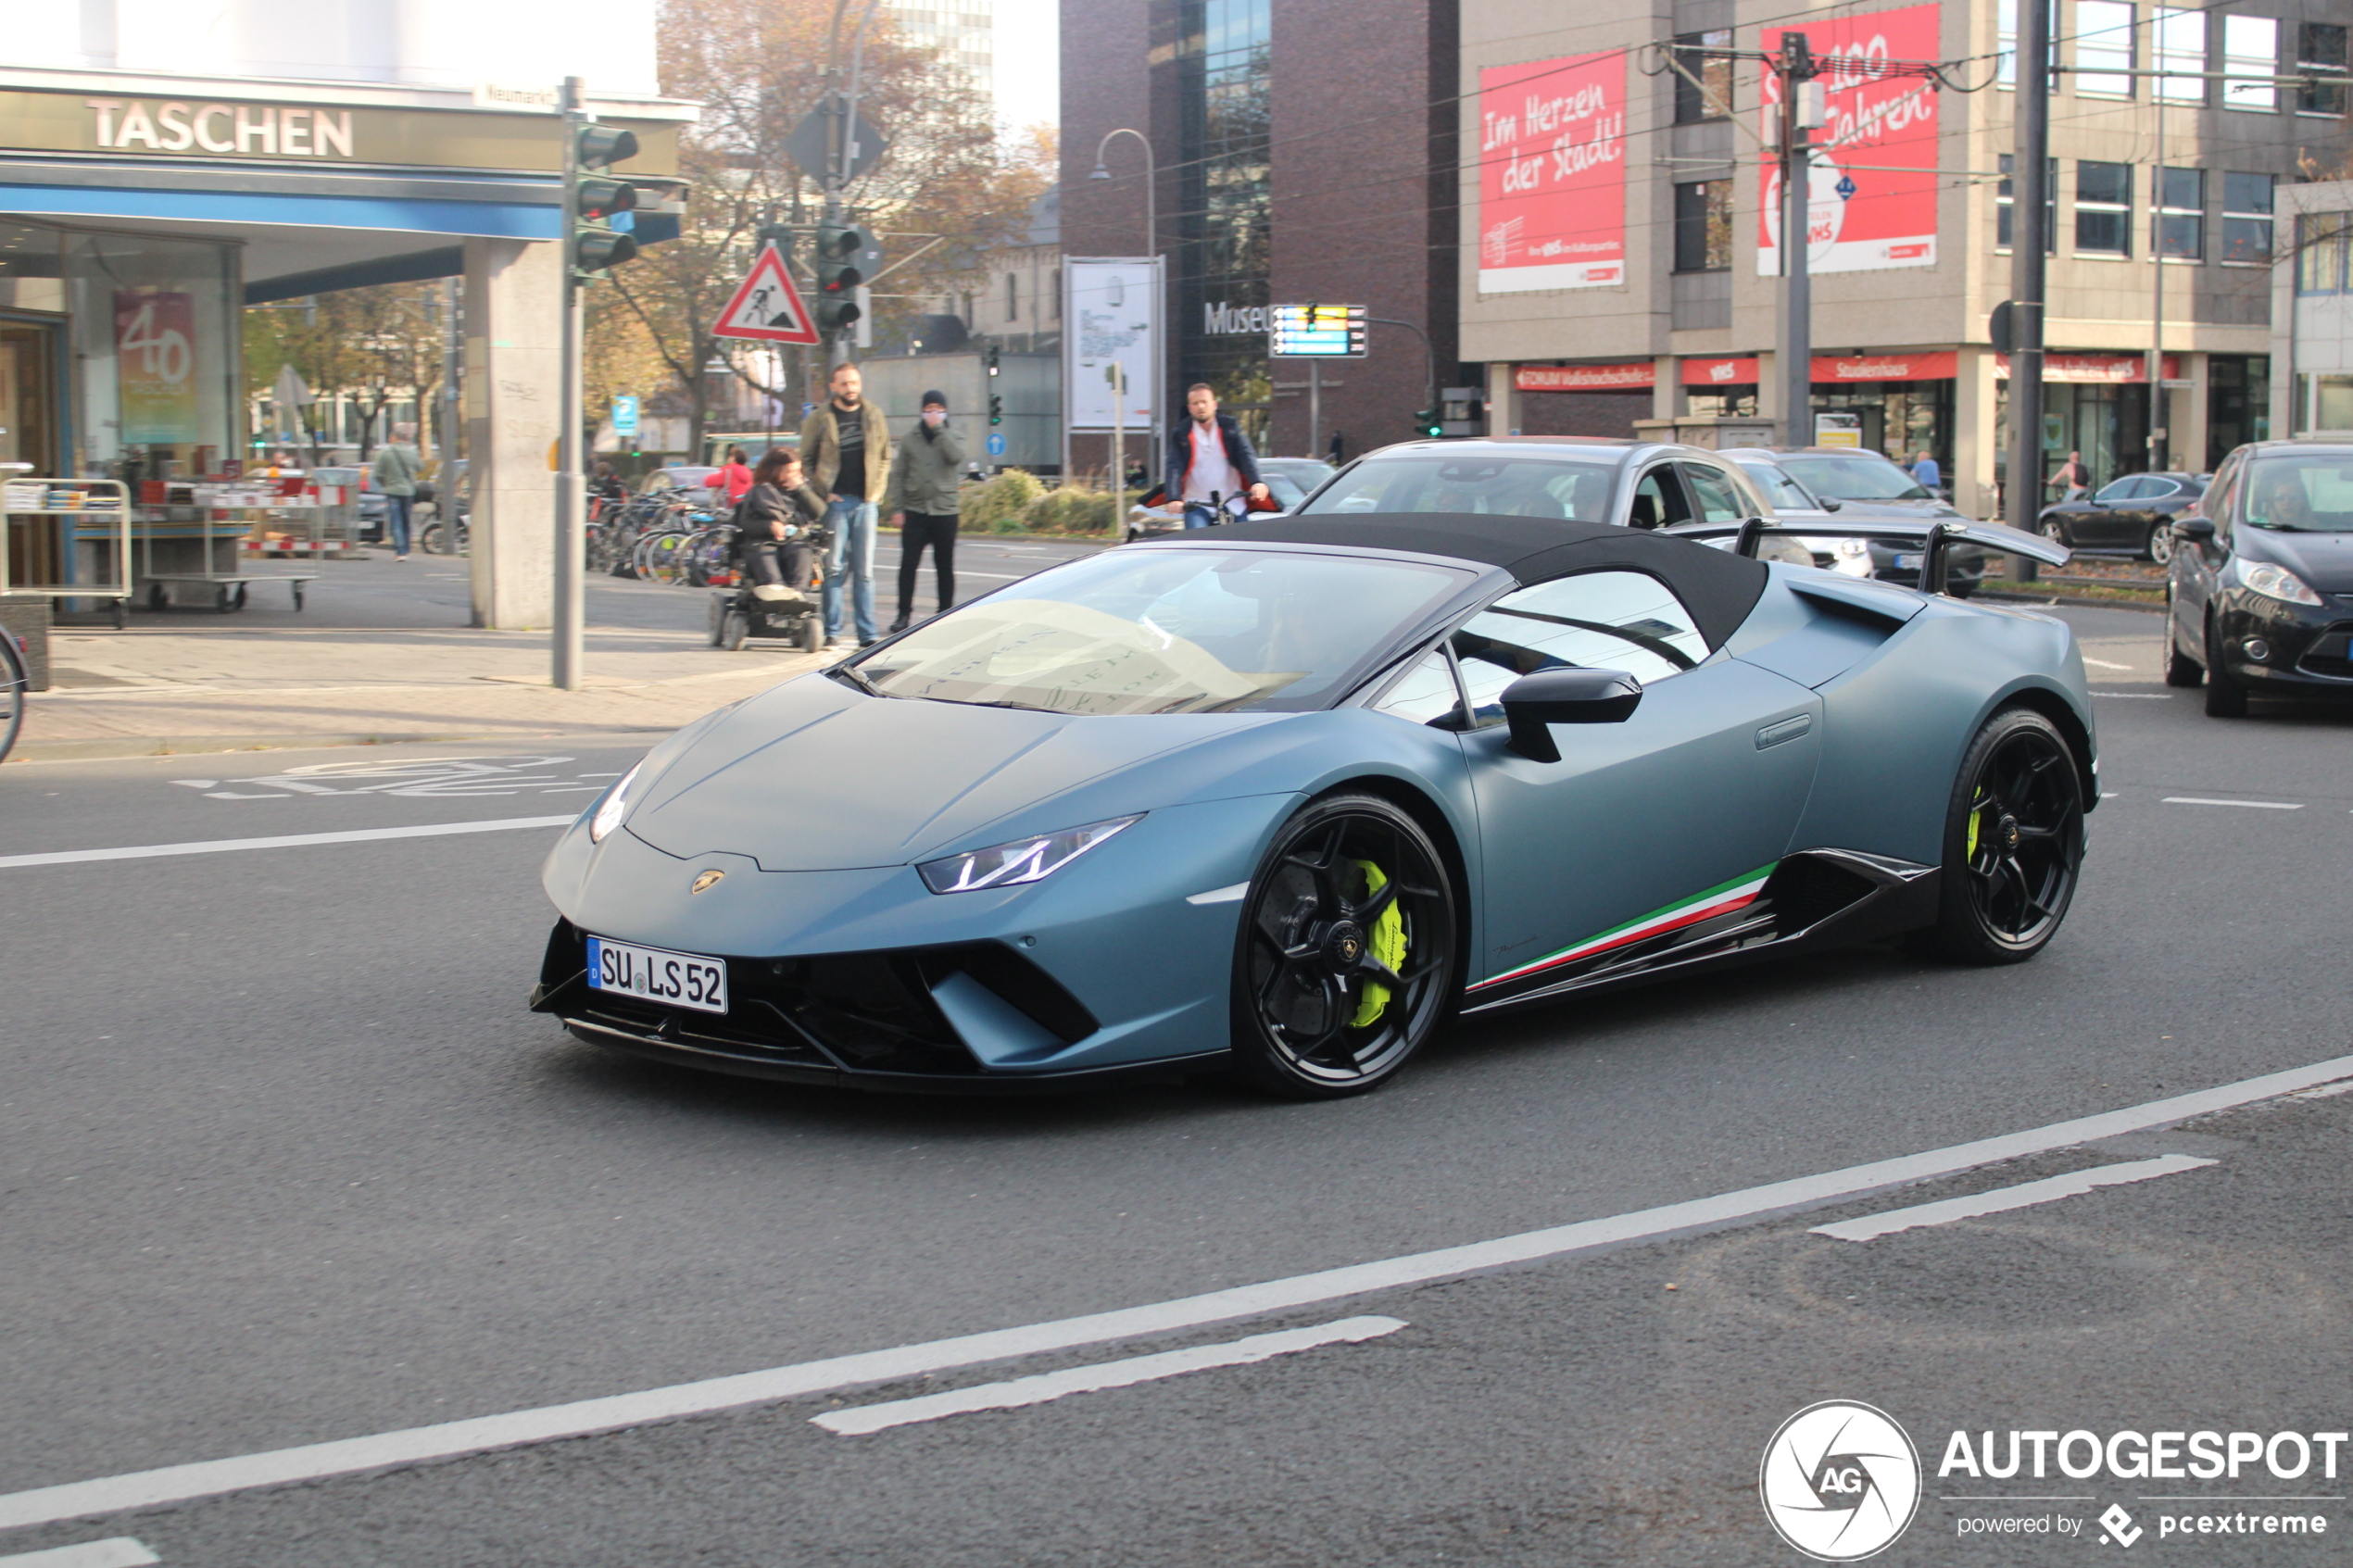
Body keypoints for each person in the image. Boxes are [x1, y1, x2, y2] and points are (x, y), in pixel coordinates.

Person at [799, 362, 893, 646]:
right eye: (843, 383)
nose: (849, 388)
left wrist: (876, 491)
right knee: (834, 570)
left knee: (865, 573)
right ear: (833, 387)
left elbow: (886, 456)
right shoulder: (820, 417)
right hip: (836, 504)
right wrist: (822, 492)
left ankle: (866, 633)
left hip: (866, 503)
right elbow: (805, 458)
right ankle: (833, 630)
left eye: (853, 383)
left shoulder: (873, 415)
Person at [882, 389, 967, 633]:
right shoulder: (911, 439)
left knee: (944, 565)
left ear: (945, 411)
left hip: (945, 510)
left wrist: (940, 430)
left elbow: (956, 457)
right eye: (928, 408)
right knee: (908, 564)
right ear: (921, 411)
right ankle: (903, 614)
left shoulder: (954, 436)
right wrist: (898, 508)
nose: (933, 413)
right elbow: (899, 475)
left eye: (938, 408)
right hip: (915, 510)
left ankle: (944, 614)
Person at [1151, 383, 1268, 528]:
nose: (1200, 407)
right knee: (1198, 543)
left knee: (1245, 544)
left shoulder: (1230, 427)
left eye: (1204, 402)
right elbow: (1174, 466)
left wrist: (1257, 482)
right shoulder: (1181, 434)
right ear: (1189, 408)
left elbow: (1246, 454)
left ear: (1214, 404)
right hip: (1197, 504)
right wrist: (1174, 498)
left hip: (1232, 501)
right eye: (1195, 403)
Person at [737, 448, 827, 592]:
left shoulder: (801, 490)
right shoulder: (759, 491)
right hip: (763, 541)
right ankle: (776, 595)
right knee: (770, 574)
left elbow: (819, 512)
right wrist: (769, 525)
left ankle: (796, 596)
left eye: (798, 471)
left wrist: (800, 489)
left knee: (800, 555)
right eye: (791, 471)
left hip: (794, 539)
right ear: (776, 470)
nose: (796, 475)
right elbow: (745, 523)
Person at [371, 421, 422, 559]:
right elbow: (420, 467)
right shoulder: (411, 452)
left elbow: (377, 474)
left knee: (396, 521)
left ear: (392, 438)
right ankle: (407, 549)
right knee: (406, 520)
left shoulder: (384, 453)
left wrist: (386, 483)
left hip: (392, 490)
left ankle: (400, 551)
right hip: (408, 491)